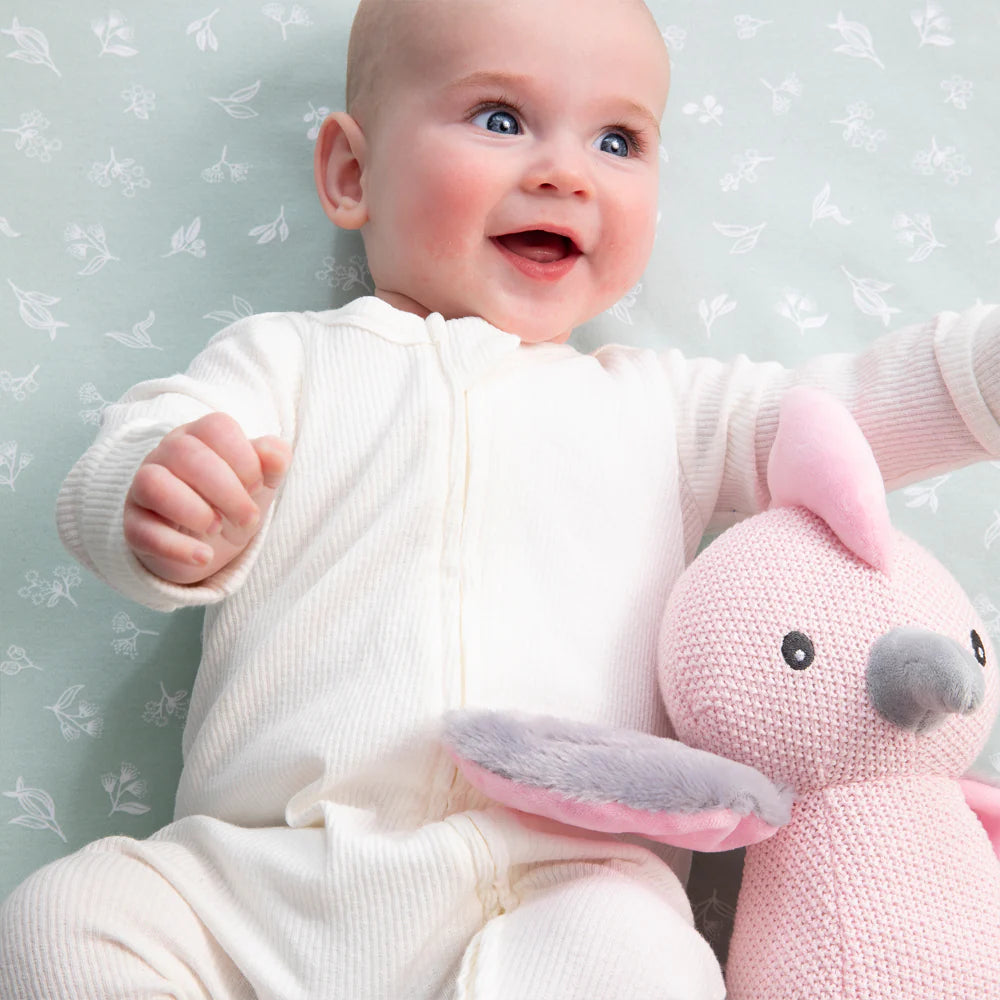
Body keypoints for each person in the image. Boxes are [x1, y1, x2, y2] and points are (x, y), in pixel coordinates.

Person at [2, 0, 998, 997]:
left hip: (560, 888)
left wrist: (978, 375)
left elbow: (841, 412)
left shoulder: (665, 407)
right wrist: (158, 494)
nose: (566, 172)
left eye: (618, 140)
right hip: (269, 876)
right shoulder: (286, 361)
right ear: (351, 173)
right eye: (500, 119)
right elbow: (137, 449)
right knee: (62, 916)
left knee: (641, 954)